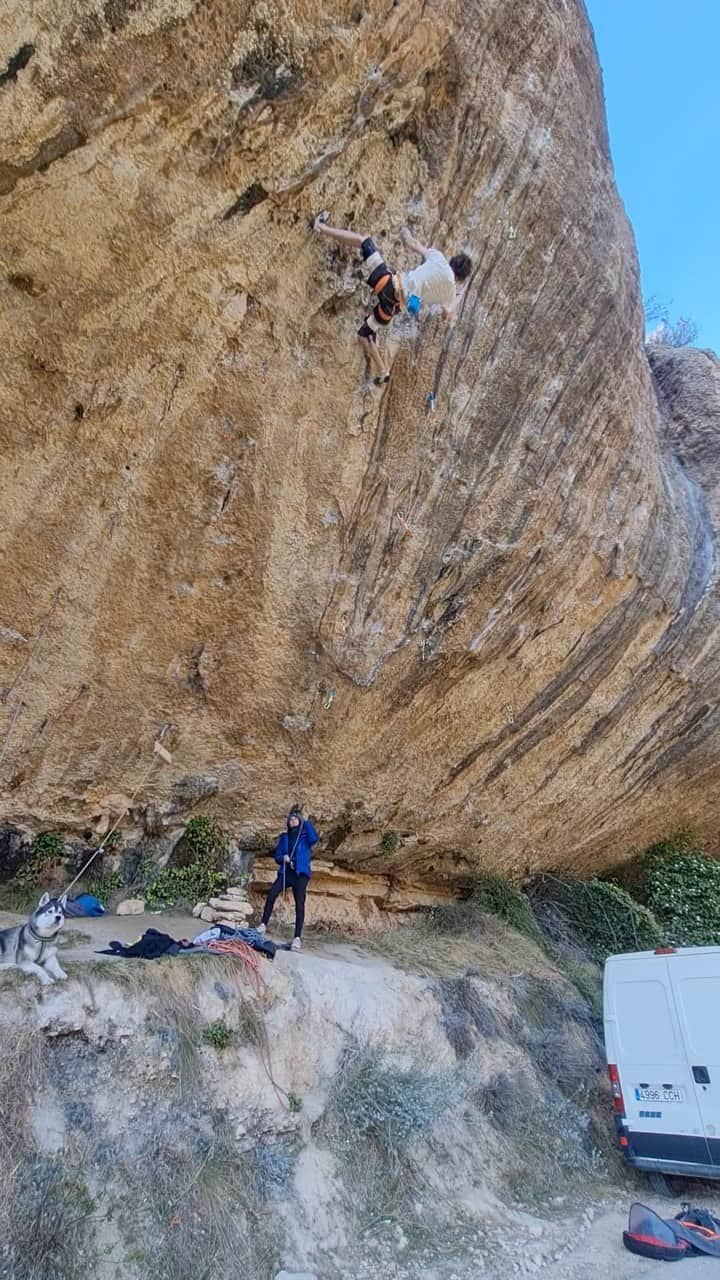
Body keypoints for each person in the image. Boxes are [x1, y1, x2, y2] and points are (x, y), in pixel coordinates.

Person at [313, 213, 472, 384]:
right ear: (461, 279)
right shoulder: (449, 294)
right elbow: (447, 313)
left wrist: (405, 232)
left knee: (364, 241)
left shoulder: (440, 260)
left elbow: (412, 243)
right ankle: (383, 369)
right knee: (364, 333)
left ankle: (320, 227)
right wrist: (460, 294)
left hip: (389, 285)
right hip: (392, 309)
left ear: (453, 262)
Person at [257, 807, 319, 951]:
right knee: (272, 894)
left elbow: (314, 838)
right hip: (287, 872)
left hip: (301, 874)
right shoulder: (284, 837)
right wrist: (282, 858)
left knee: (299, 904)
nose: (292, 821)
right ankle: (263, 925)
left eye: (295, 819)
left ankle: (297, 938)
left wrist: (307, 821)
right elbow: (277, 857)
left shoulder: (305, 837)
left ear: (300, 821)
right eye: (290, 819)